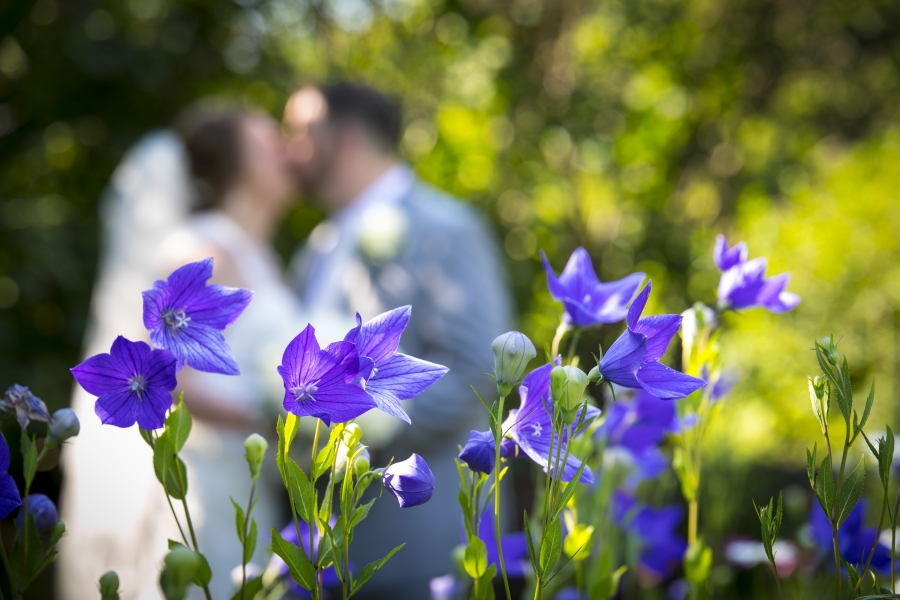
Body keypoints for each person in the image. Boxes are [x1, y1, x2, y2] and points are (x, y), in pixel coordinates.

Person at [59, 109, 345, 599]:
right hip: (206, 477)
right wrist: (267, 418)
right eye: (267, 142)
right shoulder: (199, 246)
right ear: (233, 165)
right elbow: (169, 375)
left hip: (252, 479)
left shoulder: (270, 257)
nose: (286, 150)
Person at [283, 82, 513, 597]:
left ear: (343, 140)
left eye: (297, 133)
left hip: (416, 541)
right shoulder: (319, 247)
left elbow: (477, 370)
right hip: (325, 546)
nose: (286, 150)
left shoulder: (446, 227)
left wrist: (366, 424)